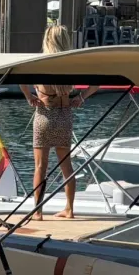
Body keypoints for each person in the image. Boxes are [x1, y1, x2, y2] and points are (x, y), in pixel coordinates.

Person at [20, 25, 97, 220]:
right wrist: (81, 97)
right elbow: (96, 84)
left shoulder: (39, 63)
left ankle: (38, 212)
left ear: (47, 40)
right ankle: (69, 209)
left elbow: (20, 78)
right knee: (66, 166)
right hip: (64, 116)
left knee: (40, 167)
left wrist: (29, 96)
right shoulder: (71, 64)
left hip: (45, 115)